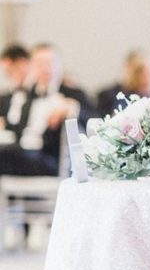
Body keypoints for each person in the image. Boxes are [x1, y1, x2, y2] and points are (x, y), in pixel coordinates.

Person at [0, 43, 94, 176]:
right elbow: (18, 130)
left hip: (49, 160)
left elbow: (95, 119)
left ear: (60, 66)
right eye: (39, 63)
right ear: (31, 67)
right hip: (22, 154)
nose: (45, 68)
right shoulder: (27, 96)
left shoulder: (72, 94)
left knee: (6, 153)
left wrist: (73, 108)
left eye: (50, 62)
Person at [96, 49, 150, 117]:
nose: (143, 77)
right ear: (127, 69)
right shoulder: (107, 96)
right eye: (138, 72)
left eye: (146, 73)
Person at [0, 44, 32, 135]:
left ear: (22, 63)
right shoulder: (7, 95)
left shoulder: (37, 92)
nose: (7, 75)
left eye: (9, 70)